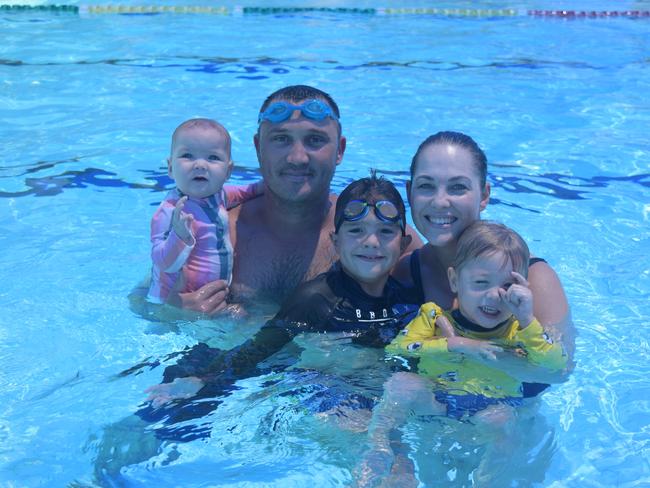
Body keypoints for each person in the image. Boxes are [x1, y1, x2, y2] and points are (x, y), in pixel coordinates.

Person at [141, 174, 421, 431]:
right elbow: (261, 348)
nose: (371, 242)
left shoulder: (406, 302)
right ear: (335, 242)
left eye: (385, 232)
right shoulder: (315, 300)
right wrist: (204, 379)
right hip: (314, 392)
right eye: (356, 231)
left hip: (370, 392)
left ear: (404, 244)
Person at [391, 131, 575, 384]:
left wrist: (462, 348)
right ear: (410, 192)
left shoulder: (532, 276)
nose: (440, 201)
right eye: (426, 186)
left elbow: (558, 372)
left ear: (485, 195)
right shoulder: (407, 271)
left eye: (457, 187)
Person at [147, 118, 262, 304]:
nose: (200, 164)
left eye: (213, 158)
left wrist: (265, 187)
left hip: (212, 300)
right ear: (170, 168)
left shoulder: (219, 195)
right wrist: (179, 236)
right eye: (187, 155)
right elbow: (162, 262)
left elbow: (245, 192)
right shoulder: (170, 211)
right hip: (171, 303)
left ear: (228, 171)